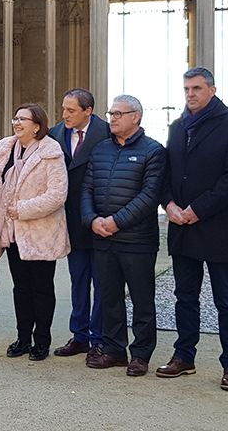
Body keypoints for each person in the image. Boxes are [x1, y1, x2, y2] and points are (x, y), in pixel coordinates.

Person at [156, 67, 228, 392]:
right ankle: (184, 356)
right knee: (185, 297)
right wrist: (169, 204)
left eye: (196, 88)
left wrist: (197, 210)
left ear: (212, 90)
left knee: (227, 300)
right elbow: (166, 172)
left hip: (218, 227)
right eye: (186, 89)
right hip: (182, 226)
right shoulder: (178, 126)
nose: (190, 94)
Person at [80, 95, 166, 376]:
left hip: (137, 241)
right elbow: (87, 188)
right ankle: (114, 350)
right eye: (111, 114)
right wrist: (92, 219)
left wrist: (116, 222)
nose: (112, 118)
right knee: (109, 298)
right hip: (103, 239)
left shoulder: (153, 151)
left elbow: (150, 195)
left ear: (135, 117)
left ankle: (140, 354)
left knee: (142, 301)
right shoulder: (101, 149)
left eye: (118, 114)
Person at [0, 103, 69, 361]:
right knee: (21, 288)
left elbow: (57, 194)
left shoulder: (50, 151)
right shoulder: (5, 149)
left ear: (37, 126)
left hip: (40, 233)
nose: (17, 122)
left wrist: (23, 209)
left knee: (42, 289)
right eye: (15, 118)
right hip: (13, 232)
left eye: (23, 119)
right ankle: (23, 338)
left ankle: (42, 340)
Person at [48, 89, 111, 358]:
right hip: (71, 219)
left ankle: (99, 337)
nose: (65, 115)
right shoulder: (55, 133)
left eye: (71, 110)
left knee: (102, 282)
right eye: (63, 109)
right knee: (78, 281)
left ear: (88, 111)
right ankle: (80, 336)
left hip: (99, 218)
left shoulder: (107, 132)